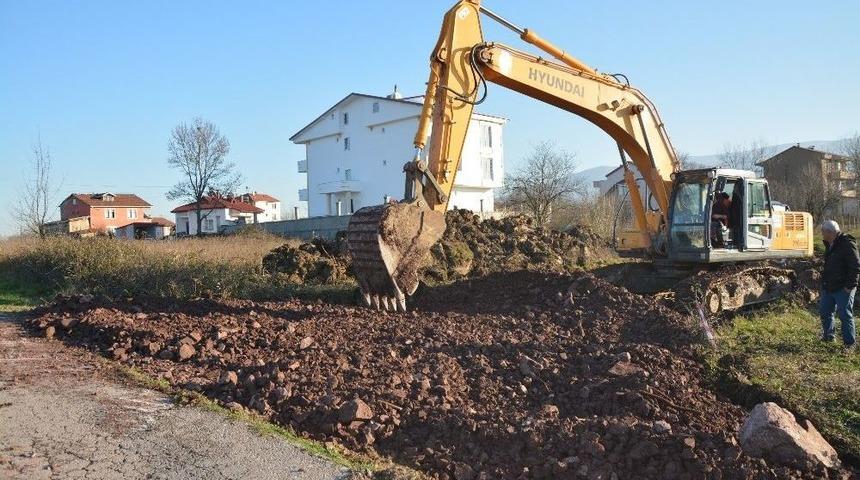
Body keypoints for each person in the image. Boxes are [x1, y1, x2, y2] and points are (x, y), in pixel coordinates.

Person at [819, 220, 859, 353]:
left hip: (843, 287)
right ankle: (829, 337)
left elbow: (855, 266)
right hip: (829, 286)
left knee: (845, 315)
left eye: (823, 232)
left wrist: (850, 286)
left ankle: (850, 344)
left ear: (830, 232)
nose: (821, 234)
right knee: (825, 311)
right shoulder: (829, 243)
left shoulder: (847, 244)